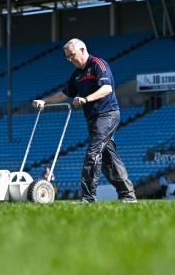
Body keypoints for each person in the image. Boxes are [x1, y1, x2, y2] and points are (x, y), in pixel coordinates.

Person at [32, 38, 137, 203]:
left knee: (93, 153)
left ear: (82, 50)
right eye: (68, 57)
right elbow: (65, 94)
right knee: (109, 160)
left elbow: (107, 88)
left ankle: (88, 197)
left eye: (72, 55)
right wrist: (45, 101)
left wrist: (85, 99)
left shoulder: (98, 64)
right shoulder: (77, 74)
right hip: (93, 118)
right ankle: (128, 196)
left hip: (107, 114)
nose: (70, 60)